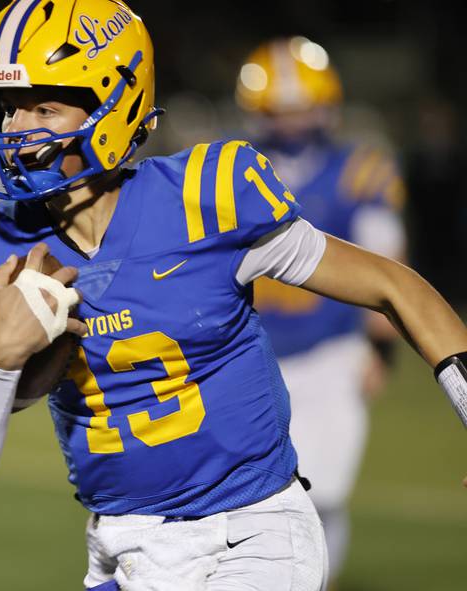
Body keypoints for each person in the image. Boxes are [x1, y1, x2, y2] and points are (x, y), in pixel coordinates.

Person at [0, 2, 467, 589]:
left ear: (115, 104)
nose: (16, 132)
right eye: (8, 108)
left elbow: (391, 284)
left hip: (251, 534)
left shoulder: (210, 201)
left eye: (44, 107)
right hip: (119, 545)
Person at [234, 36, 406, 583]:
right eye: (279, 109)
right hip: (249, 355)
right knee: (252, 498)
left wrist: (381, 346)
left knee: (322, 492)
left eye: (299, 106)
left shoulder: (362, 171)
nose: (290, 120)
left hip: (332, 350)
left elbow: (385, 266)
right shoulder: (231, 172)